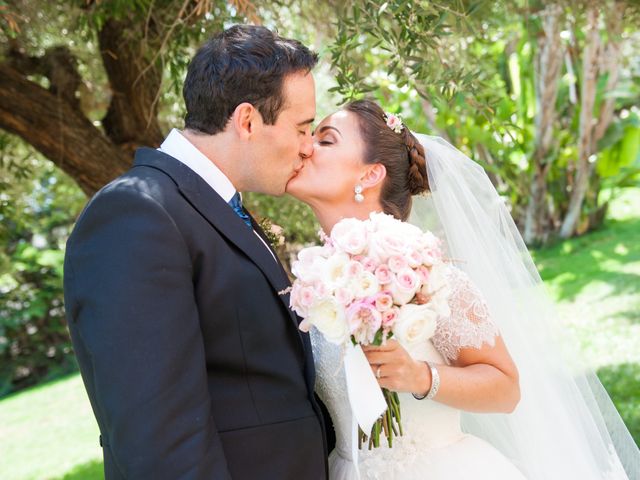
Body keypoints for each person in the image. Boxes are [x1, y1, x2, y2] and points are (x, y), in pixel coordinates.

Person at [286, 99, 640, 479]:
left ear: (371, 175)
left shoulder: (425, 275)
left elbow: (506, 388)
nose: (305, 147)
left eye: (326, 141)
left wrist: (422, 377)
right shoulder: (312, 284)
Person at [63, 25, 328, 479]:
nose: (309, 147)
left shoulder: (213, 206)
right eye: (303, 128)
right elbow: (158, 441)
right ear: (247, 121)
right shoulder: (135, 214)